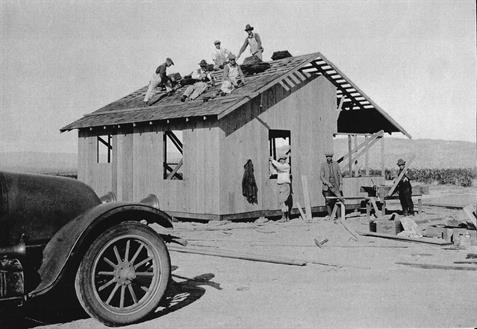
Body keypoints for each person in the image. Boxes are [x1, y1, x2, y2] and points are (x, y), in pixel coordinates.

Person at [320, 151, 343, 219]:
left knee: (338, 199)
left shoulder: (336, 164)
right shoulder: (323, 165)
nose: (328, 158)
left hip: (335, 185)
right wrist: (327, 183)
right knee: (328, 201)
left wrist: (341, 183)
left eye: (330, 157)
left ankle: (339, 216)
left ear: (332, 157)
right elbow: (321, 176)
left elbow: (340, 174)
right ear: (326, 157)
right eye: (327, 157)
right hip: (327, 186)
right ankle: (330, 216)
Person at [269, 154, 292, 221]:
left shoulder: (286, 166)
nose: (281, 161)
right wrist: (271, 163)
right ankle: (286, 217)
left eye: (283, 159)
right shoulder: (281, 168)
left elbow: (280, 167)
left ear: (285, 160)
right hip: (281, 185)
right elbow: (273, 172)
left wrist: (272, 160)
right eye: (280, 160)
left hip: (285, 185)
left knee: (282, 201)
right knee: (284, 202)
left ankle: (284, 217)